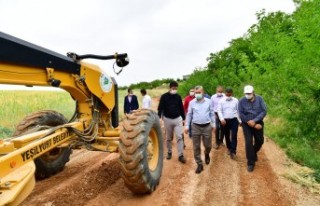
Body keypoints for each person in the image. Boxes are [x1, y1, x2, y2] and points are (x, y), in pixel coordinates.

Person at [185, 86, 215, 174]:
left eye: (199, 92)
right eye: (196, 92)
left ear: (203, 92)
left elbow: (212, 113)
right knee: (196, 146)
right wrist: (187, 126)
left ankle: (206, 154)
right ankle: (199, 164)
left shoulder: (208, 102)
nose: (197, 94)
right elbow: (189, 114)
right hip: (195, 126)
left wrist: (214, 124)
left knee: (208, 145)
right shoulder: (192, 103)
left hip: (207, 126)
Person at [238, 85, 267, 172]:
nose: (247, 95)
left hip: (258, 122)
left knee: (260, 141)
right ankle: (250, 163)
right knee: (248, 142)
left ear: (253, 92)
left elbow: (264, 111)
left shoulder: (260, 99)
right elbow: (241, 114)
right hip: (246, 124)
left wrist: (255, 121)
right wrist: (251, 123)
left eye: (249, 93)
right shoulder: (241, 101)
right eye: (246, 93)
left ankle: (253, 153)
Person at [158, 81, 186, 164]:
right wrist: (159, 117)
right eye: (173, 88)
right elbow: (160, 108)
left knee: (180, 137)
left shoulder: (178, 97)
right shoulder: (164, 97)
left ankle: (180, 155)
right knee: (169, 138)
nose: (175, 90)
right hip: (167, 119)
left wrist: (183, 118)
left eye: (176, 88)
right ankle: (169, 152)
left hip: (178, 119)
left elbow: (181, 108)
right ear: (170, 88)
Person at [217, 88, 241, 160]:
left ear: (232, 94)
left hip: (234, 120)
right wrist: (221, 119)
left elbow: (238, 111)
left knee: (234, 135)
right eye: (227, 95)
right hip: (225, 121)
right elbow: (219, 110)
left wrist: (240, 121)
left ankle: (233, 151)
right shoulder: (221, 101)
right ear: (225, 93)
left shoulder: (236, 100)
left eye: (230, 95)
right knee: (226, 135)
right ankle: (229, 148)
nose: (228, 96)